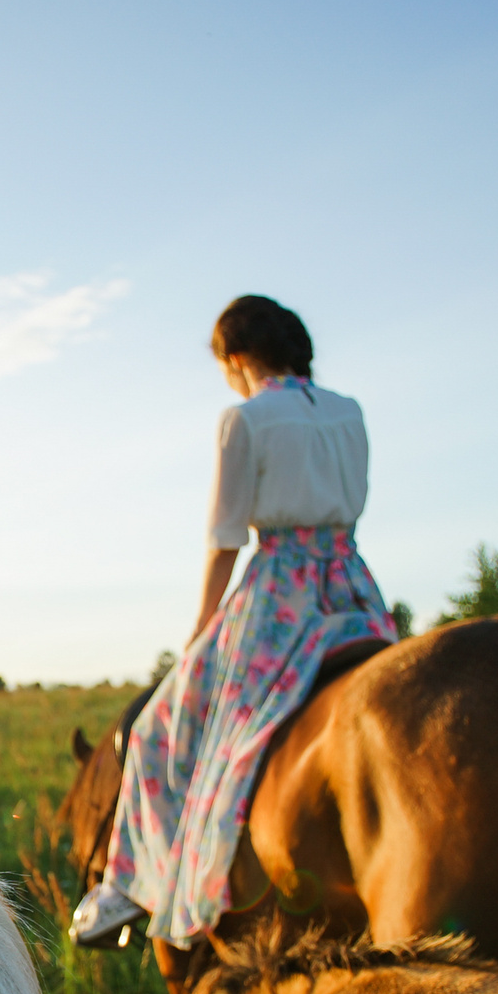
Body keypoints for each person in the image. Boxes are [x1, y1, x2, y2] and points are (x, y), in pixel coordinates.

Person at [70, 294, 398, 950]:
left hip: (282, 588)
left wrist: (200, 627)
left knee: (164, 725)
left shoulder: (243, 419)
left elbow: (225, 538)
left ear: (238, 356)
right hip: (353, 585)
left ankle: (127, 889)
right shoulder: (349, 411)